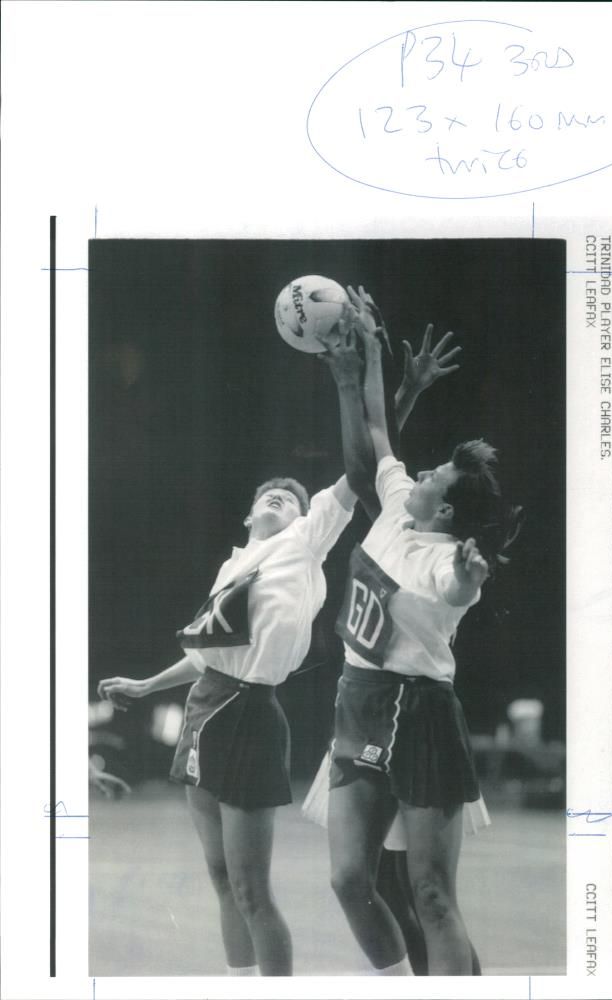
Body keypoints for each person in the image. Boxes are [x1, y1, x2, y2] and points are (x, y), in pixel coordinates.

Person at [96, 310, 456, 977]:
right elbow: (207, 656)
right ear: (247, 512)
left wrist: (400, 394)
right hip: (206, 706)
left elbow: (363, 467)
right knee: (217, 877)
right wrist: (145, 687)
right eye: (269, 493)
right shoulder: (234, 564)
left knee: (252, 889)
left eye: (289, 496)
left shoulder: (304, 543)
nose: (278, 497)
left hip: (253, 716)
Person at [321, 286, 522, 976]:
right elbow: (377, 430)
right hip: (360, 699)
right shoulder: (396, 508)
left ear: (447, 504)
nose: (421, 469)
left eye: (434, 473)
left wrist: (471, 573)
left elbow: (458, 590)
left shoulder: (445, 562)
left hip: (421, 711)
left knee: (432, 894)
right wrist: (368, 349)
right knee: (351, 879)